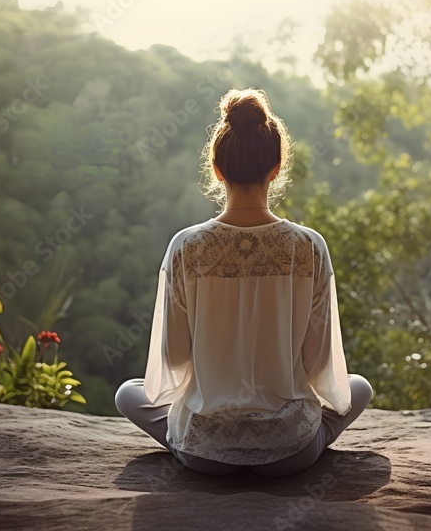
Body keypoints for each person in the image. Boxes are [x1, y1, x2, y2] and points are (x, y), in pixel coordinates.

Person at [115, 87, 372, 477]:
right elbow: (321, 369)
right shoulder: (308, 247)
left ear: (217, 169)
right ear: (277, 166)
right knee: (359, 387)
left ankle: (196, 444)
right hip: (290, 451)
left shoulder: (186, 247)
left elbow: (174, 361)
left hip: (206, 453)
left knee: (129, 393)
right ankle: (290, 445)